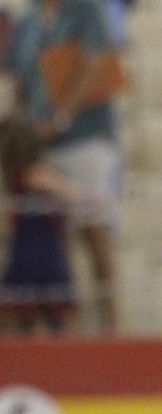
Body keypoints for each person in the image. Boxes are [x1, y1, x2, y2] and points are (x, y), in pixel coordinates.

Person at [3, 0, 122, 333]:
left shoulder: (85, 5)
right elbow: (19, 78)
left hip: (86, 135)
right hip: (44, 143)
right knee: (53, 233)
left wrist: (61, 114)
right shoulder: (29, 19)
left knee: (94, 226)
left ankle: (111, 323)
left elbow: (94, 63)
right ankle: (67, 327)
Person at [0, 115, 80, 335]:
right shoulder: (33, 172)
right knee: (48, 311)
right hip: (42, 251)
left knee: (30, 313)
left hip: (27, 250)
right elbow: (71, 194)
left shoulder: (15, 175)